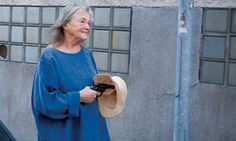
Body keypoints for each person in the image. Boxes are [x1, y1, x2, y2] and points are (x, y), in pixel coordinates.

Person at [31, 0, 110, 140]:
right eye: (82, 21)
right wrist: (78, 97)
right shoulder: (49, 58)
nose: (87, 27)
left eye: (89, 23)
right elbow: (45, 103)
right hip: (65, 135)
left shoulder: (87, 55)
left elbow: (91, 91)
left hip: (91, 132)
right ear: (66, 24)